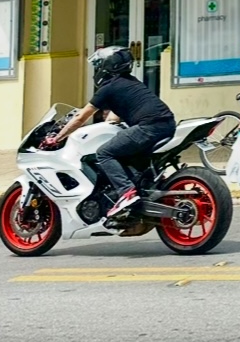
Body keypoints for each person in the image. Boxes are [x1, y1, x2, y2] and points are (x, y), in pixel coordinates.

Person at [42, 45, 175, 220]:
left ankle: (126, 193)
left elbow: (82, 117)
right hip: (167, 124)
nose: (97, 69)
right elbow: (115, 117)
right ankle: (147, 185)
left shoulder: (108, 88)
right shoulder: (130, 82)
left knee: (104, 153)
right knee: (126, 152)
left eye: (99, 65)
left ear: (107, 67)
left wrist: (58, 137)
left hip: (148, 127)